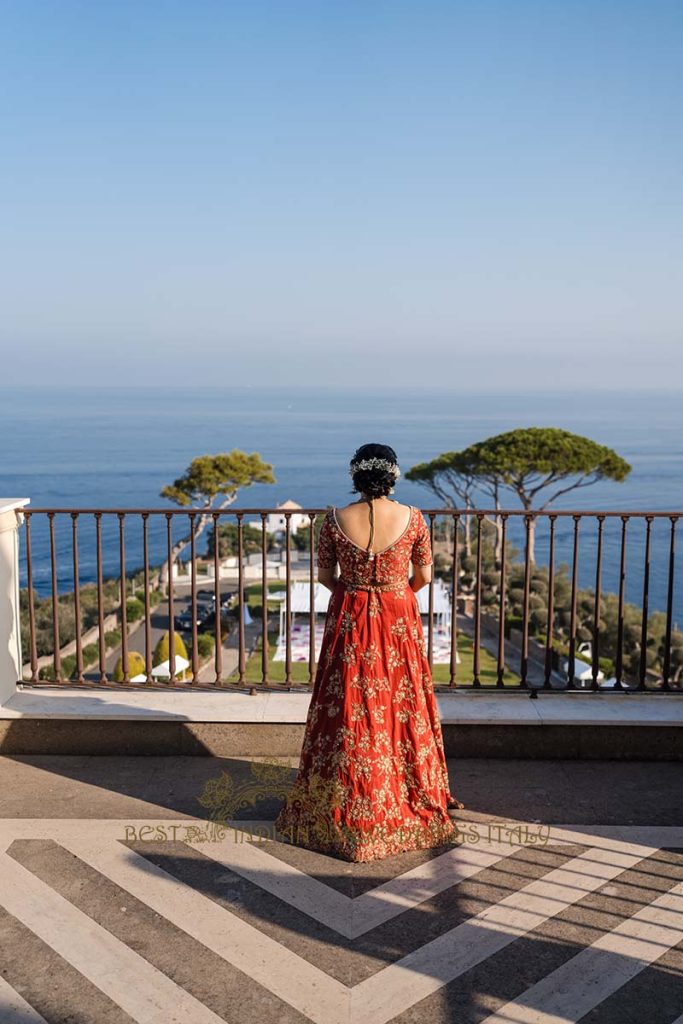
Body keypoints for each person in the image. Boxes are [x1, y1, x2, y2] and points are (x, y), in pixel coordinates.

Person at [274, 443, 464, 863]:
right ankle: (410, 788)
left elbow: (326, 577)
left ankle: (342, 795)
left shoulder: (334, 520)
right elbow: (424, 576)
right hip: (398, 617)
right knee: (402, 703)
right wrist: (394, 595)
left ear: (355, 477)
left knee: (348, 705)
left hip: (351, 615)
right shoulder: (414, 519)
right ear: (393, 476)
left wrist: (358, 594)